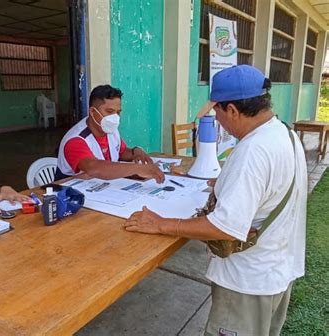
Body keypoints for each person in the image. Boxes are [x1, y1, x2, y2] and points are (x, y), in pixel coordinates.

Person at [123, 65, 307, 336]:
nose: (217, 120)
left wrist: (163, 224)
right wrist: (228, 184)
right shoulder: (284, 133)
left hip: (248, 282)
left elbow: (225, 227)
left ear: (232, 109)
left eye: (217, 112)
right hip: (276, 270)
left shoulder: (253, 151)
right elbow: (271, 188)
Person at [55, 85, 164, 183]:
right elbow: (93, 168)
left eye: (118, 112)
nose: (115, 117)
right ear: (93, 112)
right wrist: (138, 168)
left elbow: (120, 152)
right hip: (70, 197)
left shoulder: (109, 130)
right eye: (109, 111)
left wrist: (135, 151)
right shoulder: (76, 139)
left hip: (102, 190)